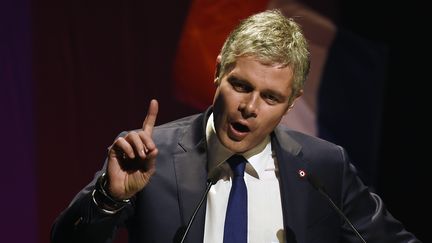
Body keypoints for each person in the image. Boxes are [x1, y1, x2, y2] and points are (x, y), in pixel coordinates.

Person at [51, 9, 421, 243]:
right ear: (217, 73)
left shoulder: (323, 167)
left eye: (271, 98)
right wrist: (109, 198)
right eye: (241, 86)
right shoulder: (150, 156)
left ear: (291, 103)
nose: (249, 107)